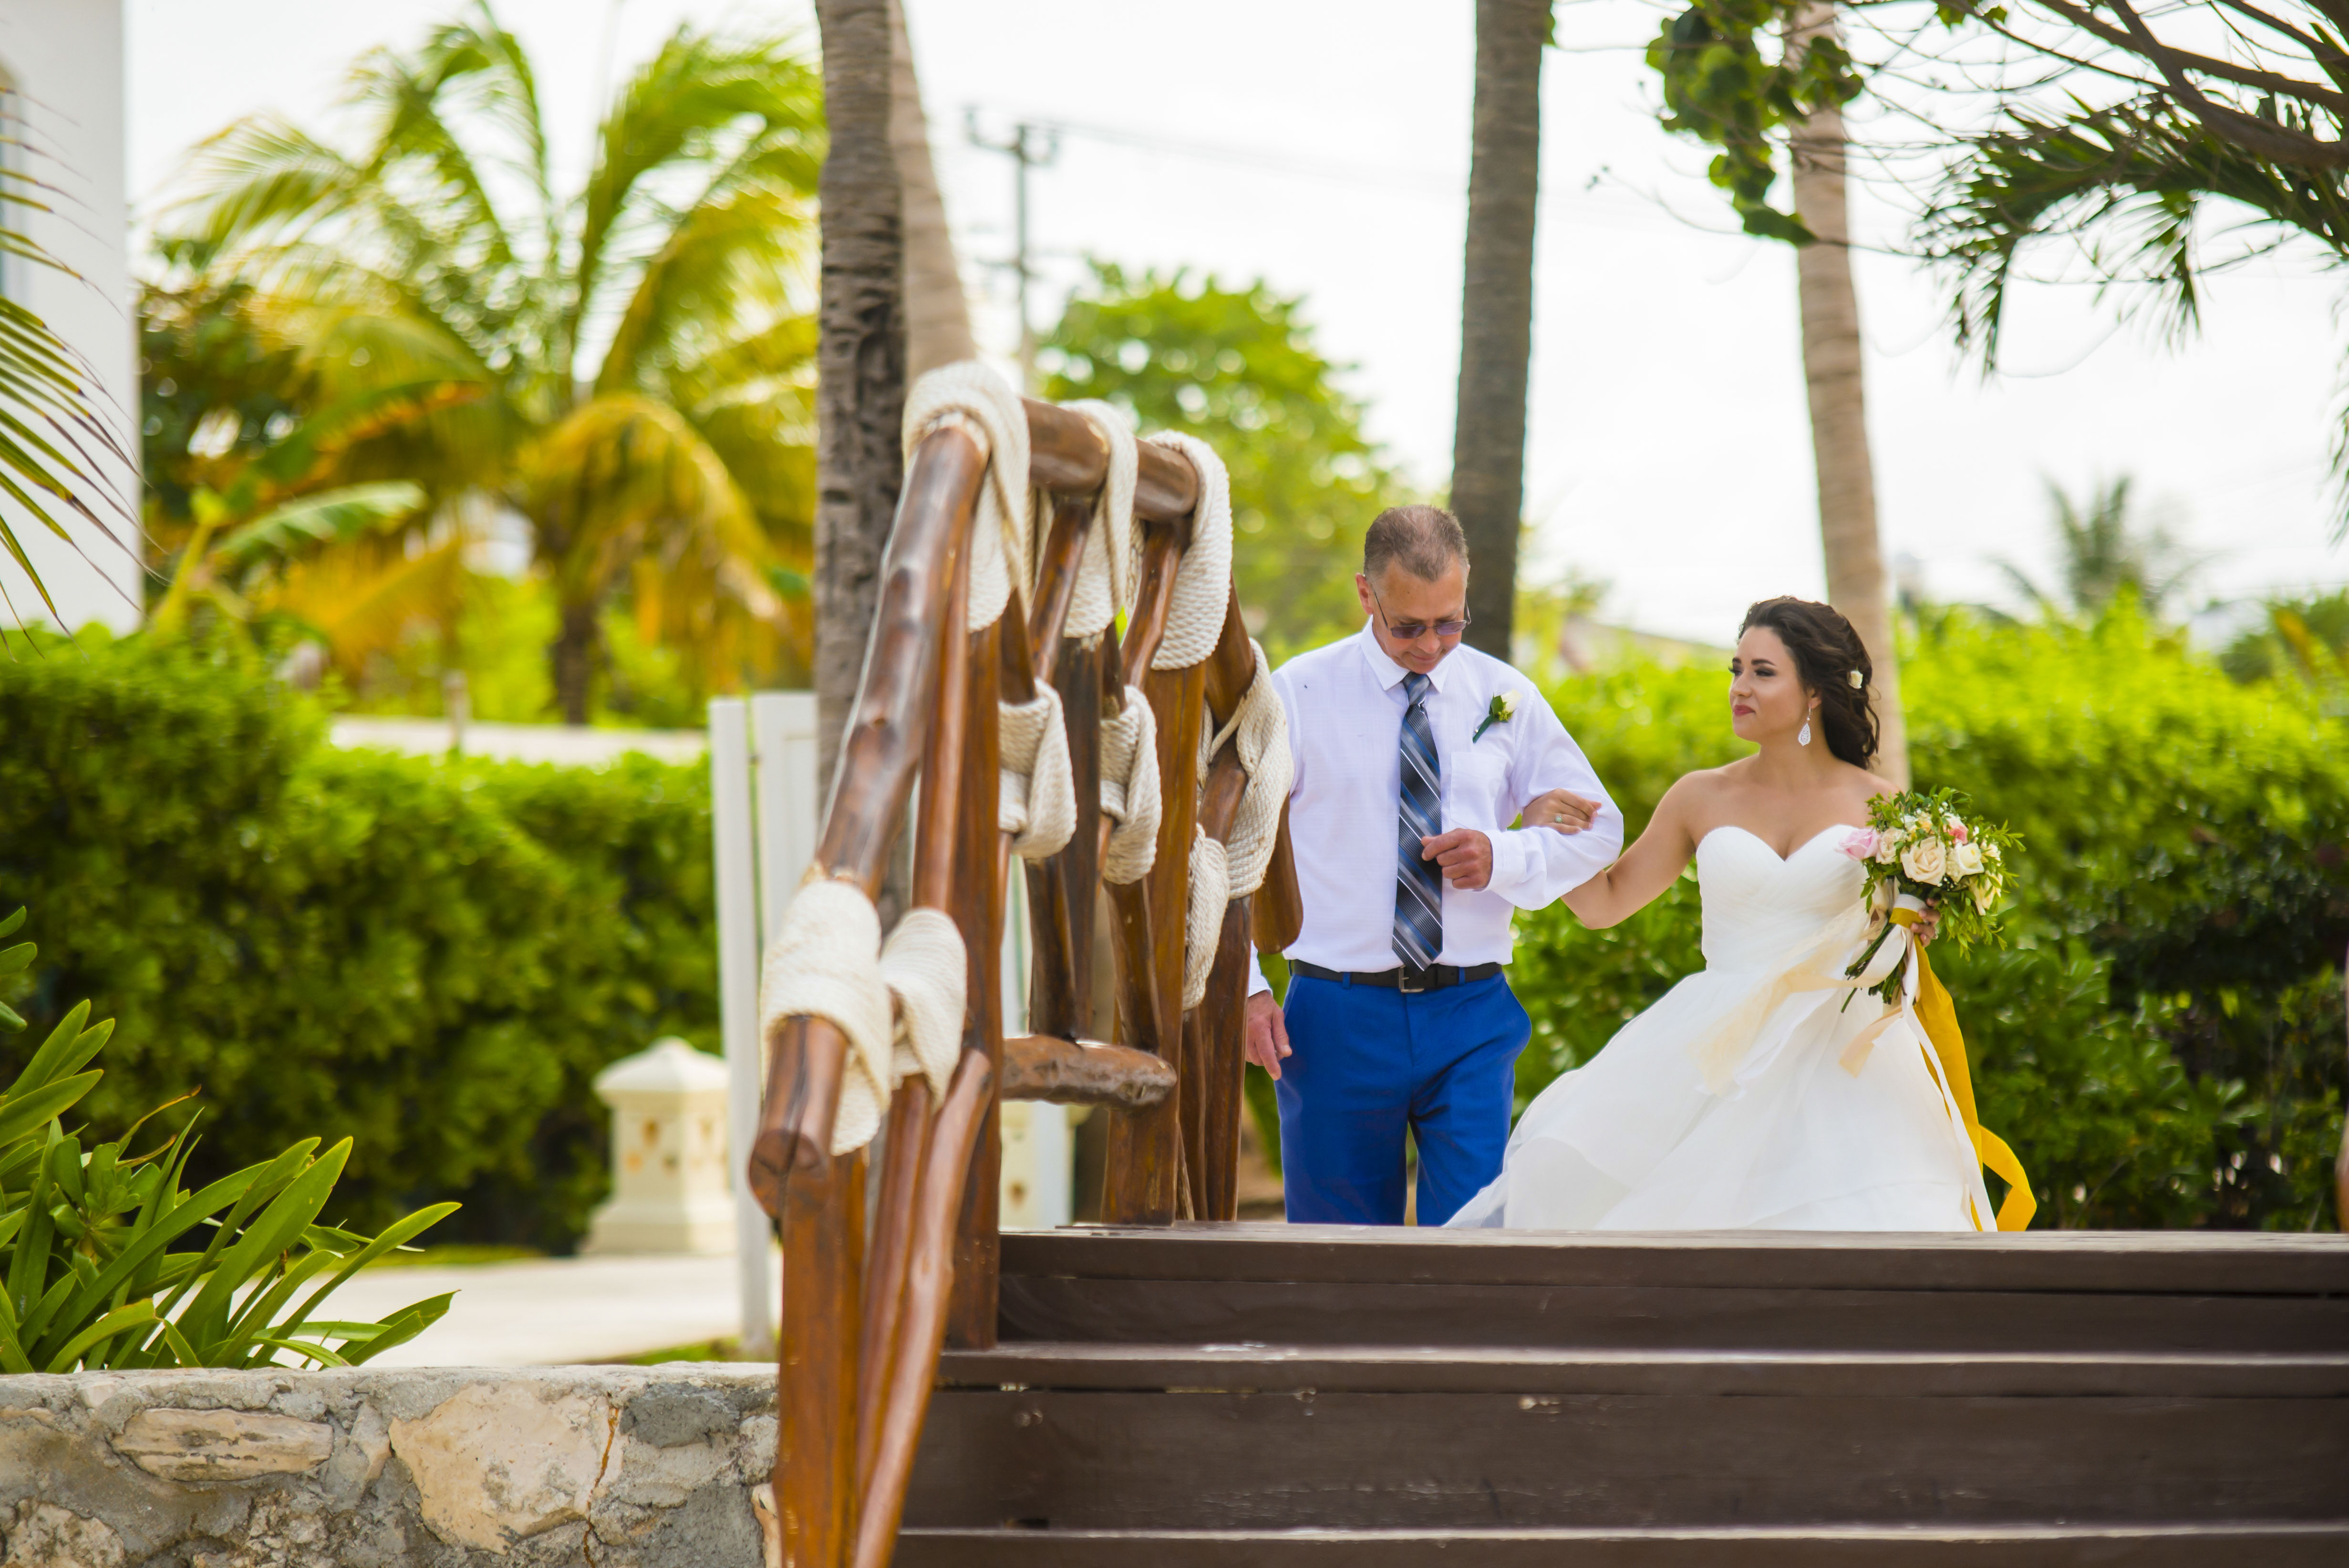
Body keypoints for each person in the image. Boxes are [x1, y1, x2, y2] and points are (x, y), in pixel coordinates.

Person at [1448, 596, 1996, 1231]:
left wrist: (1914, 923)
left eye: (1762, 673)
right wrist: (1548, 837)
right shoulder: (1699, 796)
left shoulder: (1887, 809)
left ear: (1815, 692)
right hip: (1714, 1046)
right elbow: (1603, 905)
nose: (1739, 687)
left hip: (1845, 1055)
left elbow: (1902, 932)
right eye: (1735, 669)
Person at [1242, 505, 1622, 1226]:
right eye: (1407, 626)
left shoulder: (1504, 696)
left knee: (1473, 1247)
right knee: (1338, 1262)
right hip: (1333, 1016)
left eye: (1450, 623)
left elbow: (1600, 830)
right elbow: (1232, 845)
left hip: (1471, 1014)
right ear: (1366, 595)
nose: (1430, 645)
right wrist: (1246, 988)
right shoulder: (1298, 692)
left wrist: (1503, 853)